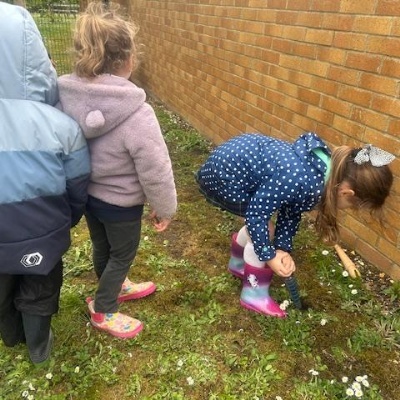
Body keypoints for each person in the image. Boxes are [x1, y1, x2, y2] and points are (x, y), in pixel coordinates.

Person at [57, 2, 177, 339]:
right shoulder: (137, 113)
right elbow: (155, 167)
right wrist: (165, 206)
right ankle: (104, 307)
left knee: (102, 246)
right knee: (122, 254)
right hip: (121, 204)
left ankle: (114, 285)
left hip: (86, 195)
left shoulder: (66, 98)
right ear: (128, 59)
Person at [196, 132, 394, 318]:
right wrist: (269, 256)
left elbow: (291, 210)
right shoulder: (300, 179)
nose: (345, 209)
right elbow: (256, 215)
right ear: (346, 193)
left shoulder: (320, 171)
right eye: (350, 207)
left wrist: (282, 248)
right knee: (263, 228)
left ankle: (237, 264)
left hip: (235, 167)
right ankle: (253, 293)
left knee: (261, 228)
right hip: (224, 175)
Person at [0, 3, 90, 364]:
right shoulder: (61, 125)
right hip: (43, 230)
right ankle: (39, 348)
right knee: (40, 287)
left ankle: (10, 336)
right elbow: (78, 184)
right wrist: (65, 220)